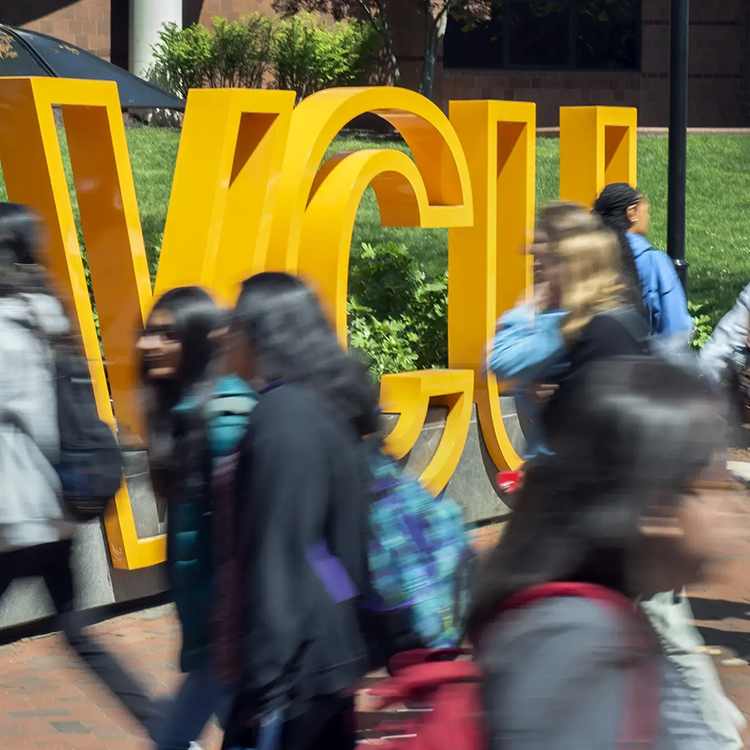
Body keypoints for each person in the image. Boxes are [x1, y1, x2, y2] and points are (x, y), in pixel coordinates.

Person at [470, 356, 745, 749]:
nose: (734, 505)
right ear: (657, 506)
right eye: (718, 482)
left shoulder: (604, 622)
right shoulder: (577, 649)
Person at [0, 202, 159, 730]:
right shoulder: (47, 312)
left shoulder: (5, 326)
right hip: (57, 511)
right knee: (78, 633)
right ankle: (165, 729)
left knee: (77, 630)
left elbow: (28, 421)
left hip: (14, 513)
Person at [219, 272, 379, 750]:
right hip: (330, 651)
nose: (225, 336)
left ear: (258, 333)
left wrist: (265, 681)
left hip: (298, 666)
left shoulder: (282, 416)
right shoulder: (324, 403)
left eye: (233, 323)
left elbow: (282, 550)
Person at [137, 286, 257, 750]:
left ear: (199, 340)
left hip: (231, 628)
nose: (148, 345)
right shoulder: (186, 415)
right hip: (214, 628)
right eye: (149, 332)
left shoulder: (224, 415)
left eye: (167, 334)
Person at [488, 204, 647, 456]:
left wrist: (524, 309)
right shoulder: (613, 316)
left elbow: (500, 360)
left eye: (542, 257)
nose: (532, 263)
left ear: (570, 264)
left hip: (568, 471)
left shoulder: (574, 324)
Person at [593, 182, 693, 348]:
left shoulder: (587, 258)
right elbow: (676, 329)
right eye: (646, 210)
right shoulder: (654, 262)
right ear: (632, 212)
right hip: (642, 364)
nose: (648, 217)